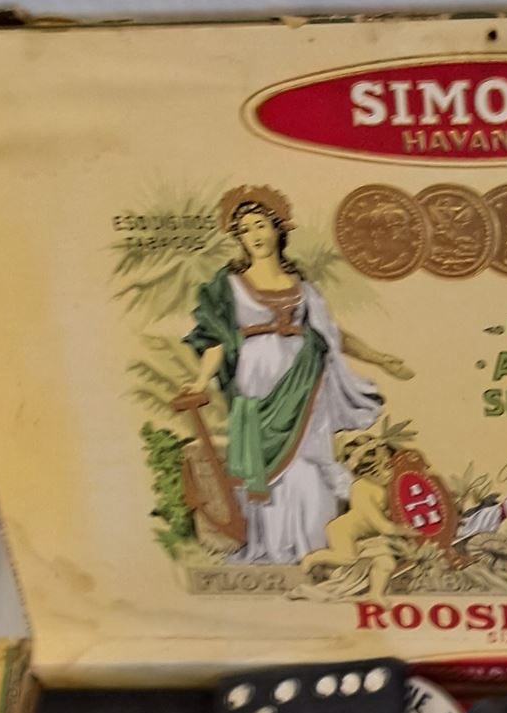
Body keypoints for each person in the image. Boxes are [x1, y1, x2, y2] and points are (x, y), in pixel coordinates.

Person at [174, 186, 412, 564]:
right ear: (238, 238)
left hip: (306, 381)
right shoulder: (229, 286)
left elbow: (332, 335)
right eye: (245, 229)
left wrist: (379, 358)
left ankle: (312, 546)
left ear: (278, 229)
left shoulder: (303, 288)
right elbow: (216, 339)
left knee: (309, 461)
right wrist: (202, 380)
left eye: (261, 225)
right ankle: (270, 547)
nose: (254, 235)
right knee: (266, 469)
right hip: (255, 383)